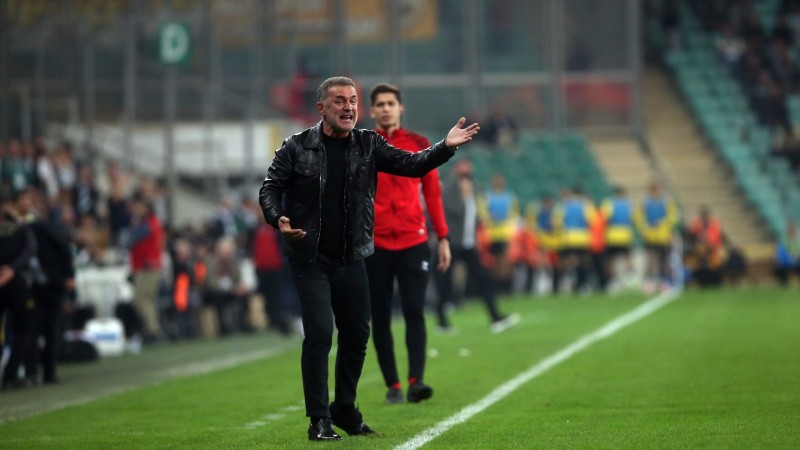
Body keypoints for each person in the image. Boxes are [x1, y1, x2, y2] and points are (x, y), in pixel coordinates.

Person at [258, 76, 479, 441]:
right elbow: (269, 189)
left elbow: (412, 164)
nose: (348, 107)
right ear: (321, 108)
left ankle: (344, 407)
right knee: (319, 334)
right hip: (311, 257)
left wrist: (445, 147)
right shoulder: (296, 147)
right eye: (339, 101)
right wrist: (278, 218)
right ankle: (319, 419)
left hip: (351, 256)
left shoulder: (368, 143)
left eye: (353, 101)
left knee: (359, 334)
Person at [365, 83, 452, 405]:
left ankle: (417, 381)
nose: (386, 108)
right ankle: (393, 384)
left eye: (391, 103)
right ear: (372, 111)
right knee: (381, 315)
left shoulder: (419, 144)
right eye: (380, 104)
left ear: (401, 108)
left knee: (415, 310)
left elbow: (432, 194)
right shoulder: (364, 145)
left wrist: (443, 236)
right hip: (375, 243)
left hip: (413, 241)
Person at [432, 159, 518, 333]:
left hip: (468, 244)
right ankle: (441, 321)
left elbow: (476, 215)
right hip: (452, 243)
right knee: (445, 283)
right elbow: (453, 212)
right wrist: (464, 196)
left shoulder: (475, 189)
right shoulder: (448, 190)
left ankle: (495, 317)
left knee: (483, 279)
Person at [0, 191, 36, 390]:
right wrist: (12, 269)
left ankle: (10, 375)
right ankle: (10, 376)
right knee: (23, 330)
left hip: (10, 281)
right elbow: (30, 249)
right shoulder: (20, 227)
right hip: (16, 282)